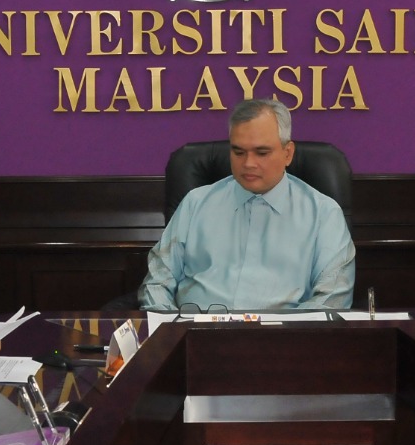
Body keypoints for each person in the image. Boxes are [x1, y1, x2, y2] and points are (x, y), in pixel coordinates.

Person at [139, 98, 354, 311]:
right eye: (239, 152)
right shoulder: (195, 204)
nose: (248, 163)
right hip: (195, 328)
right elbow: (157, 282)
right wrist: (171, 326)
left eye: (262, 153)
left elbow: (332, 299)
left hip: (283, 331)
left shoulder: (324, 214)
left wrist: (285, 331)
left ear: (288, 153)